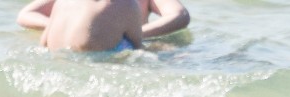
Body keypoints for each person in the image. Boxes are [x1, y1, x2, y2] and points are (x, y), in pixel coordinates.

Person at [17, 0, 190, 51]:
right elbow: (25, 15)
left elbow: (180, 15)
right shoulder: (128, 5)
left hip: (66, 52)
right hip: (116, 49)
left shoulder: (63, 3)